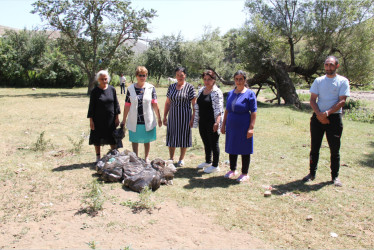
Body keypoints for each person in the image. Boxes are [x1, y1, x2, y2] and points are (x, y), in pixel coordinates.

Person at [302, 56, 350, 187]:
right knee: (314, 147)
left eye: (331, 65)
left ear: (337, 66)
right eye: (326, 65)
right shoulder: (318, 81)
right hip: (317, 117)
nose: (329, 67)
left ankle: (335, 177)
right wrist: (319, 114)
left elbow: (342, 101)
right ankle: (311, 174)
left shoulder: (342, 81)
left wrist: (327, 114)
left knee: (335, 149)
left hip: (334, 118)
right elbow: (312, 100)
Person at [221, 70, 257, 182]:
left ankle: (245, 173)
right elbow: (227, 110)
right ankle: (232, 170)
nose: (238, 81)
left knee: (245, 148)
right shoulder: (231, 93)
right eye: (236, 79)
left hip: (244, 125)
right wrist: (223, 125)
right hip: (231, 125)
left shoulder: (250, 94)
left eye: (241, 79)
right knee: (232, 147)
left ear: (245, 80)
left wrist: (251, 128)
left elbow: (254, 112)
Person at [121, 66, 162, 162]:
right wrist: (123, 119)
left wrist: (159, 118)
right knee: (135, 139)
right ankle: (135, 157)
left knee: (146, 139)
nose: (142, 77)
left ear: (146, 76)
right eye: (140, 75)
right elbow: (127, 105)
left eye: (144, 75)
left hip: (147, 119)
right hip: (134, 119)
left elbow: (155, 104)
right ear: (136, 76)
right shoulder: (130, 89)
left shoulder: (151, 88)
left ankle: (146, 157)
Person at [163, 67, 196, 167]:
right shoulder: (172, 87)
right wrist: (164, 116)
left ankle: (181, 159)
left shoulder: (190, 87)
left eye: (181, 75)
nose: (179, 77)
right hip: (173, 116)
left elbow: (194, 104)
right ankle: (171, 158)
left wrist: (193, 117)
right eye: (177, 75)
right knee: (171, 136)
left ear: (185, 75)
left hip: (185, 117)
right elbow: (168, 103)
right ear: (175, 76)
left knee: (184, 137)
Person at [193, 70, 224, 173]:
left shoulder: (216, 92)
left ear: (214, 80)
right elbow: (198, 105)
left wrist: (217, 122)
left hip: (212, 122)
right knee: (206, 142)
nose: (207, 81)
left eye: (209, 79)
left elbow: (219, 109)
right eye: (205, 79)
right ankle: (208, 161)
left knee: (214, 143)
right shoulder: (201, 90)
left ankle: (215, 165)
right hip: (203, 121)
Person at [87, 70, 120, 163]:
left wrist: (117, 117)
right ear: (98, 79)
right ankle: (98, 157)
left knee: (112, 138)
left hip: (111, 118)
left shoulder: (112, 89)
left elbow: (116, 104)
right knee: (97, 138)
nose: (104, 81)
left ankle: (114, 156)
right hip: (98, 119)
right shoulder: (95, 91)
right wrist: (91, 120)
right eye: (102, 79)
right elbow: (91, 107)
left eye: (105, 79)